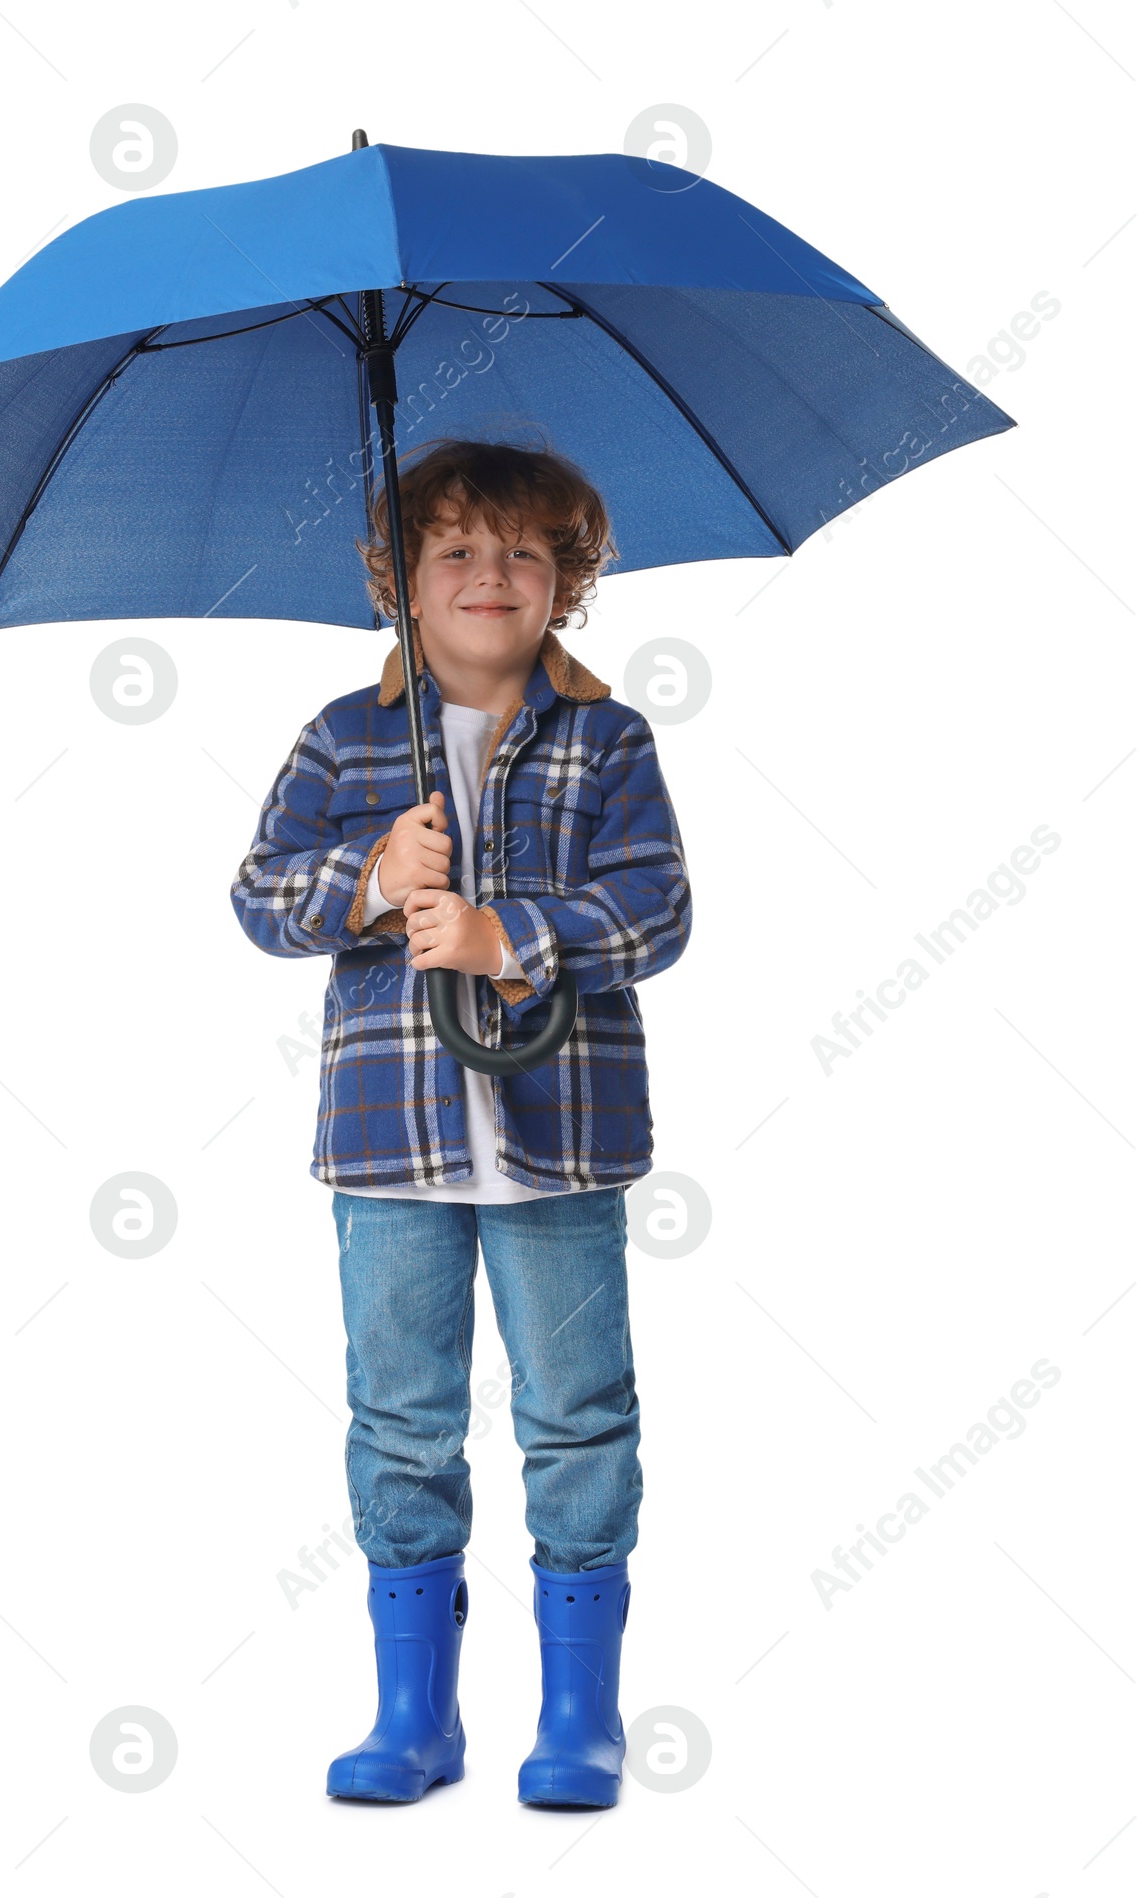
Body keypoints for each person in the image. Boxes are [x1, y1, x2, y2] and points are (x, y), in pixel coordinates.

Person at [231, 436, 691, 1806]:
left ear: (572, 579)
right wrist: (372, 877)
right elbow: (261, 896)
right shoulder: (345, 737)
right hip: (392, 1150)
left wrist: (512, 933)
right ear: (399, 583)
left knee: (577, 1415)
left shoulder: (610, 737)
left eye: (524, 552)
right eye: (454, 551)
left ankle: (578, 1716)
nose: (490, 574)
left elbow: (659, 909)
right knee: (403, 1420)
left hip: (563, 1146)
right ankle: (415, 1713)